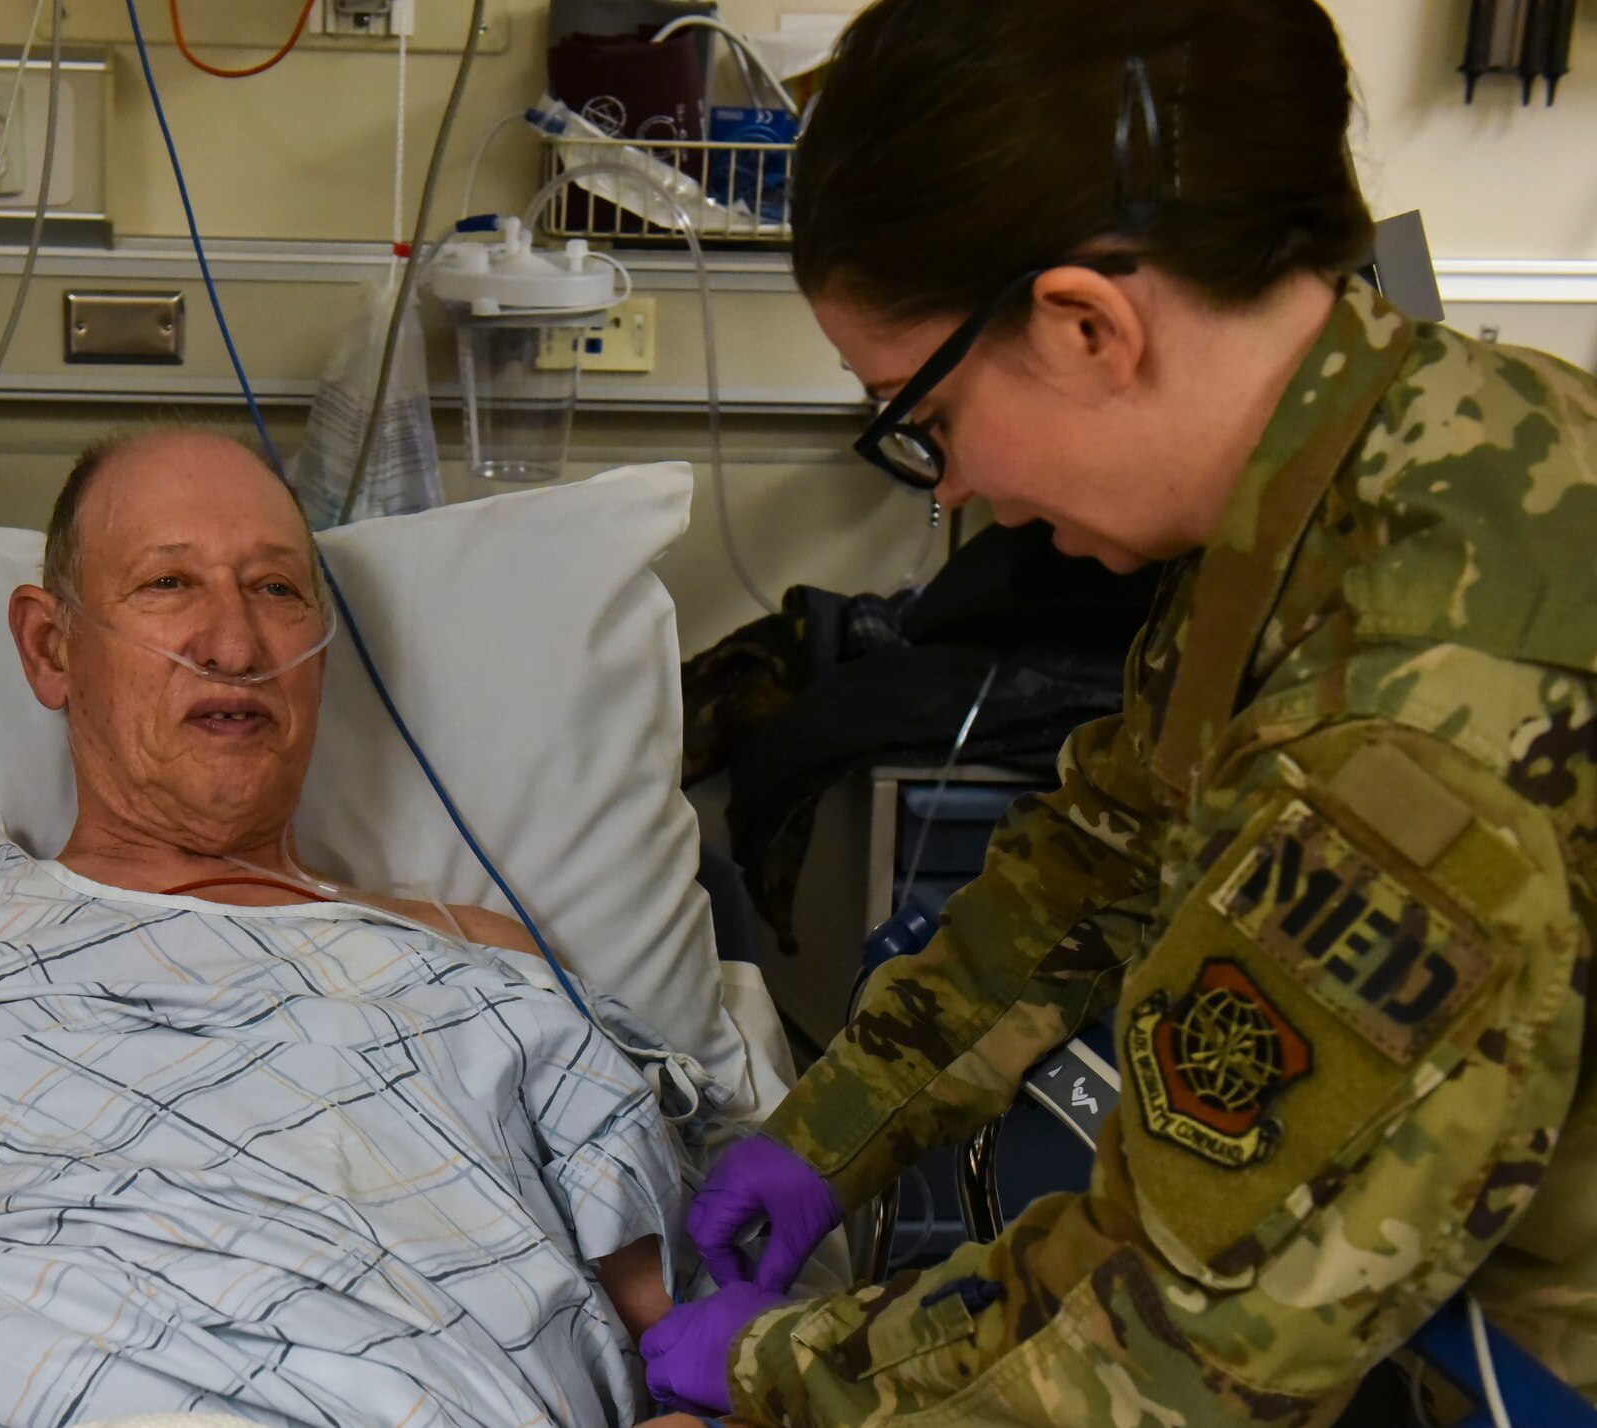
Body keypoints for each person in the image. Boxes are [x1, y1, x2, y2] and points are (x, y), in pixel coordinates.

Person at [639, 0, 1597, 1422]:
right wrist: (834, 1129)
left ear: (1086, 325)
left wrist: (782, 1371)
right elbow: (1104, 861)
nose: (949, 489)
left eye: (924, 416)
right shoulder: (1394, 457)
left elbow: (1179, 1347)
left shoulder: (1413, 730)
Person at [0, 428, 678, 1425]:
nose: (234, 639)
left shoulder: (474, 961)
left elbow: (683, 1325)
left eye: (276, 588)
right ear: (50, 648)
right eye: (168, 584)